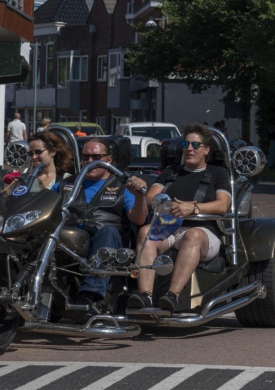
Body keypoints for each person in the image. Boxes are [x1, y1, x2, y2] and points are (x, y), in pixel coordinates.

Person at [127, 123, 231, 312]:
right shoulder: (171, 172)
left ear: (207, 150)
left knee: (193, 235)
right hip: (170, 227)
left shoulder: (218, 174)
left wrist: (193, 208)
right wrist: (170, 206)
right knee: (145, 232)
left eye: (195, 145)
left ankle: (172, 296)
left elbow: (223, 205)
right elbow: (150, 198)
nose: (189, 149)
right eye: (185, 144)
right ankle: (145, 296)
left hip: (204, 232)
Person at [59, 138, 148, 320]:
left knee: (108, 231)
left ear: (108, 159)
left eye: (96, 157)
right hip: (70, 242)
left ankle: (90, 296)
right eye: (86, 157)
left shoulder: (123, 186)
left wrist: (140, 197)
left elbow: (139, 219)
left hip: (108, 245)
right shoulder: (66, 184)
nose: (90, 161)